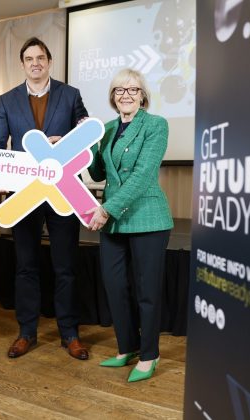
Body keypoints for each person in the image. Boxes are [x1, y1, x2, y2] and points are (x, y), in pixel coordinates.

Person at [0, 37, 89, 360]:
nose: (35, 63)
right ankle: (26, 332)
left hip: (64, 193)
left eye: (40, 57)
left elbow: (88, 137)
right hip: (25, 194)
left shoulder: (70, 95)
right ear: (22, 64)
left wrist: (67, 140)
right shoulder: (7, 100)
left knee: (66, 267)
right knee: (26, 267)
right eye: (29, 58)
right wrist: (0, 175)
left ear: (49, 61)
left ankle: (69, 333)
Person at [86, 68, 173, 382]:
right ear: (112, 96)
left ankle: (150, 355)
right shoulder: (107, 128)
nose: (126, 94)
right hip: (114, 223)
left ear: (143, 95)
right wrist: (89, 145)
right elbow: (97, 174)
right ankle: (127, 348)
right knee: (115, 286)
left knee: (147, 291)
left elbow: (142, 175)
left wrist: (107, 209)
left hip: (147, 218)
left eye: (132, 90)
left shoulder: (156, 125)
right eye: (119, 90)